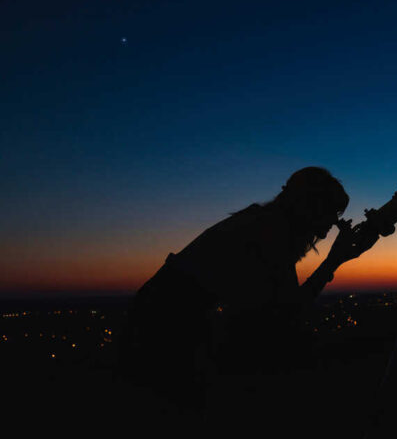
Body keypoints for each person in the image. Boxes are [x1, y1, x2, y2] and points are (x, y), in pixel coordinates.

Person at [118, 167, 377, 412]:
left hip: (164, 322)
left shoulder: (263, 223)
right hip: (163, 333)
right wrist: (333, 261)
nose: (333, 223)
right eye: (330, 212)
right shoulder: (270, 233)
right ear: (309, 205)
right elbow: (287, 312)